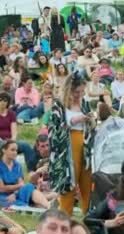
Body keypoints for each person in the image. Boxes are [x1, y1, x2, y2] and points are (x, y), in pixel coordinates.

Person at [49, 72, 94, 216]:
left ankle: (89, 217)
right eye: (76, 92)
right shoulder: (59, 105)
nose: (79, 94)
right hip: (67, 146)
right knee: (68, 182)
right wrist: (72, 121)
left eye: (82, 91)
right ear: (69, 89)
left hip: (86, 144)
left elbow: (92, 126)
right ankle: (65, 217)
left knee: (88, 182)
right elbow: (53, 129)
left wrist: (91, 119)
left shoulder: (85, 103)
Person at [0, 140, 50, 209]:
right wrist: (18, 186)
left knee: (29, 186)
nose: (15, 153)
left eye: (16, 150)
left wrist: (15, 193)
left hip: (15, 193)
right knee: (19, 203)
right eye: (12, 150)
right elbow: (2, 189)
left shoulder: (17, 165)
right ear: (4, 150)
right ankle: (38, 205)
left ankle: (48, 206)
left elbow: (22, 184)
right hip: (2, 196)